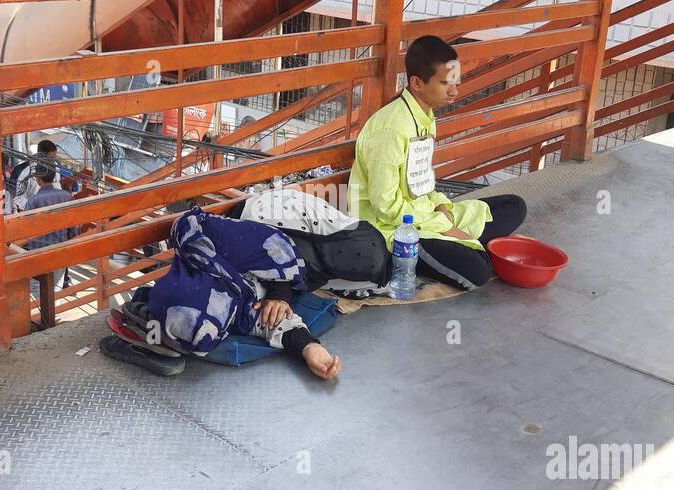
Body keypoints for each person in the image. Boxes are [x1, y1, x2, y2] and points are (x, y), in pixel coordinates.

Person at [349, 35, 527, 291]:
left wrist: (442, 207)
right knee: (479, 269)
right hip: (391, 230)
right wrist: (444, 226)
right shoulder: (391, 129)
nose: (454, 91)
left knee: (513, 206)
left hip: (426, 214)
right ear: (417, 83)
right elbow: (385, 206)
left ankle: (462, 244)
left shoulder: (425, 116)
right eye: (445, 83)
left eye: (455, 82)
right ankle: (467, 247)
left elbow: (421, 181)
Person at [146, 208, 341, 380]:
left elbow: (274, 248)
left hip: (279, 232)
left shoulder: (204, 248)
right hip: (285, 249)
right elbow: (276, 322)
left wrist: (280, 294)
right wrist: (310, 348)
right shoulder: (235, 312)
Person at [23, 162, 75, 301]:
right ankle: (53, 317)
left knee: (36, 286)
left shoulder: (33, 201)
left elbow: (25, 228)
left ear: (38, 179)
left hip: (38, 250)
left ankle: (45, 319)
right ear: (54, 177)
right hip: (60, 247)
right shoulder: (66, 196)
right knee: (56, 286)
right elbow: (73, 224)